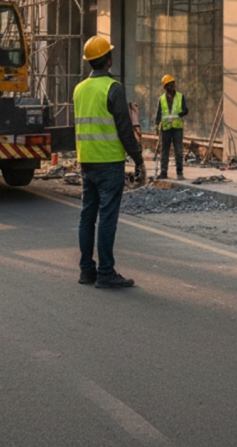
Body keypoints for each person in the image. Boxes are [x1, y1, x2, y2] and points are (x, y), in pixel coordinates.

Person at [74, 35, 145, 289]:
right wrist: (138, 159)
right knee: (107, 218)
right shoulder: (113, 88)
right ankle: (105, 272)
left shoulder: (79, 89)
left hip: (87, 163)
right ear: (108, 60)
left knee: (87, 217)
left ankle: (86, 270)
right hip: (109, 163)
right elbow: (125, 130)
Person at [154, 74, 188, 180]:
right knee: (165, 150)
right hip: (165, 128)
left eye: (173, 84)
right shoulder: (162, 99)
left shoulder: (180, 96)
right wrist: (156, 125)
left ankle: (180, 172)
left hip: (177, 128)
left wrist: (178, 115)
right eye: (169, 85)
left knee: (178, 150)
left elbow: (186, 110)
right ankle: (163, 172)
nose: (172, 86)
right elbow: (159, 113)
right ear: (165, 87)